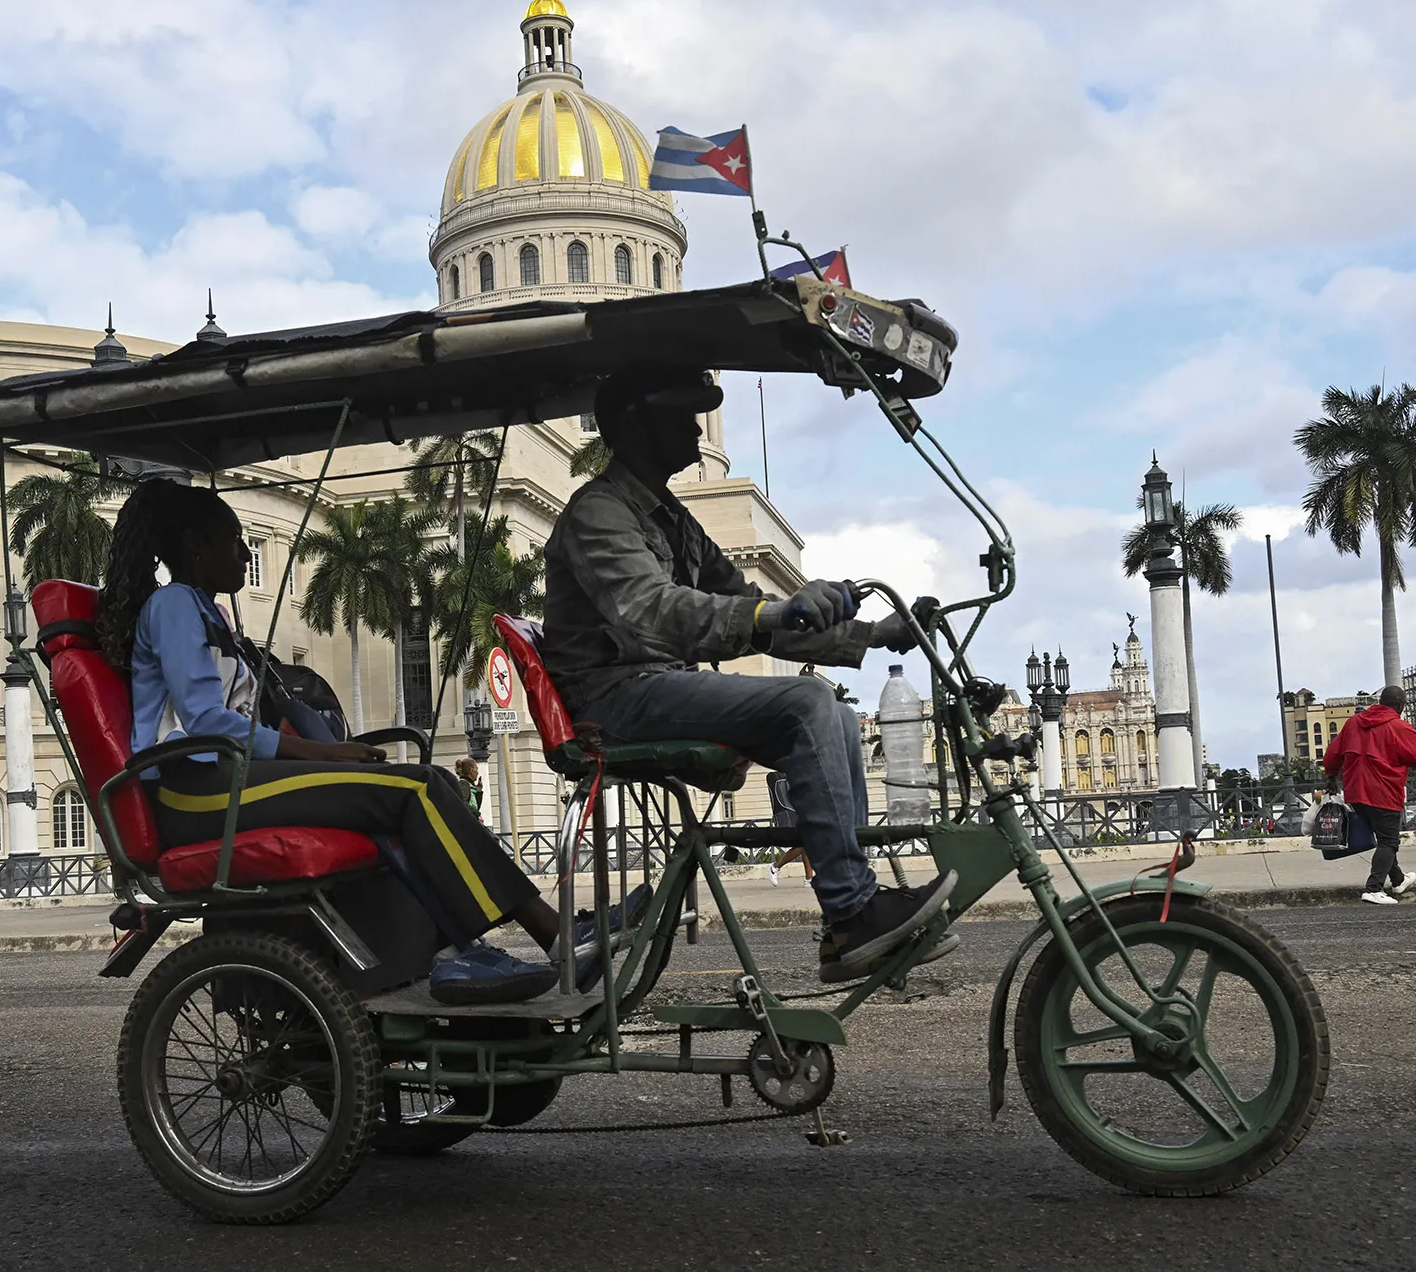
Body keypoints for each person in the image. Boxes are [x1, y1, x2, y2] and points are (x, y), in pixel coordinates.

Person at [93, 479, 631, 1006]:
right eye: (235, 542)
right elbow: (206, 721)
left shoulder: (208, 612)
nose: (243, 555)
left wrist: (323, 745)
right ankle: (555, 935)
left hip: (227, 778)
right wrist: (322, 756)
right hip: (195, 790)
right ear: (196, 544)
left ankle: (454, 952)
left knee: (437, 781)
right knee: (415, 788)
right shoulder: (173, 606)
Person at [540, 369, 948, 982]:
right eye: (679, 414)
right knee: (807, 702)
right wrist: (772, 610)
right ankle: (853, 907)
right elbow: (653, 612)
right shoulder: (600, 511)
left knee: (832, 710)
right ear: (635, 426)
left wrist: (876, 633)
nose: (695, 427)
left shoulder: (672, 519)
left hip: (656, 688)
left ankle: (847, 922)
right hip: (615, 697)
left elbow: (750, 608)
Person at [1322, 685, 1416, 905]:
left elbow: (1333, 753)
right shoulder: (1398, 727)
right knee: (1389, 842)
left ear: (1381, 702)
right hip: (1384, 793)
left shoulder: (1354, 723)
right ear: (1401, 705)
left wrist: (1331, 776)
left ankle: (1399, 879)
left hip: (1355, 793)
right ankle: (1373, 888)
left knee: (1383, 839)